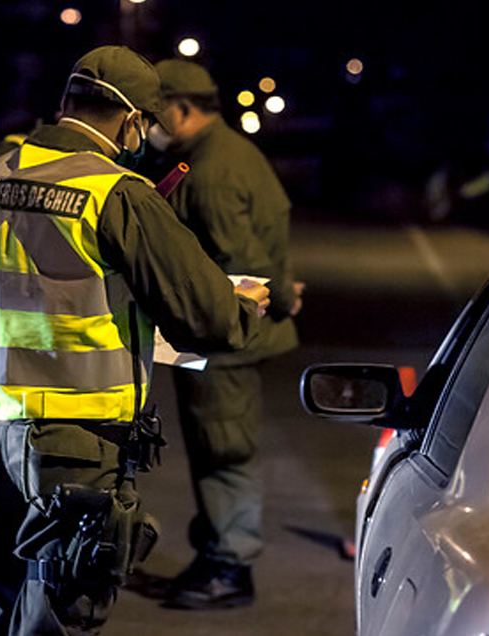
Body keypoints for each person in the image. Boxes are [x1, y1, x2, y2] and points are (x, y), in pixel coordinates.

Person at [0, 45, 270, 636]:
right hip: (73, 448)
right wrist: (244, 306)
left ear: (66, 103)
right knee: (58, 618)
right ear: (130, 120)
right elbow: (207, 319)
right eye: (145, 126)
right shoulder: (118, 194)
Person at [150, 59, 302, 610]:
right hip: (214, 338)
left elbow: (244, 263)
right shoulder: (217, 155)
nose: (148, 122)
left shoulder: (212, 171)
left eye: (154, 110)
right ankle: (217, 551)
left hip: (224, 342)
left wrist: (281, 296)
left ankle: (229, 565)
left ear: (182, 107)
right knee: (214, 446)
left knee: (223, 450)